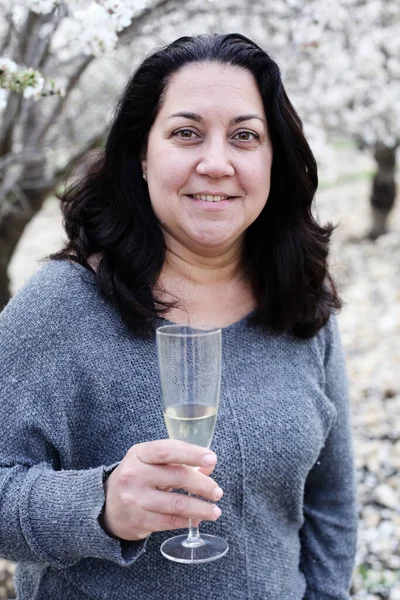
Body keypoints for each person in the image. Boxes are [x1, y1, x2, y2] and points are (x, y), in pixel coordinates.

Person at [0, 33, 357, 599]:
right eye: (186, 133)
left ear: (274, 159)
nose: (216, 164)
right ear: (142, 154)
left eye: (244, 136)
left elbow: (331, 503)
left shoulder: (300, 303)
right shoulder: (60, 308)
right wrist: (101, 505)